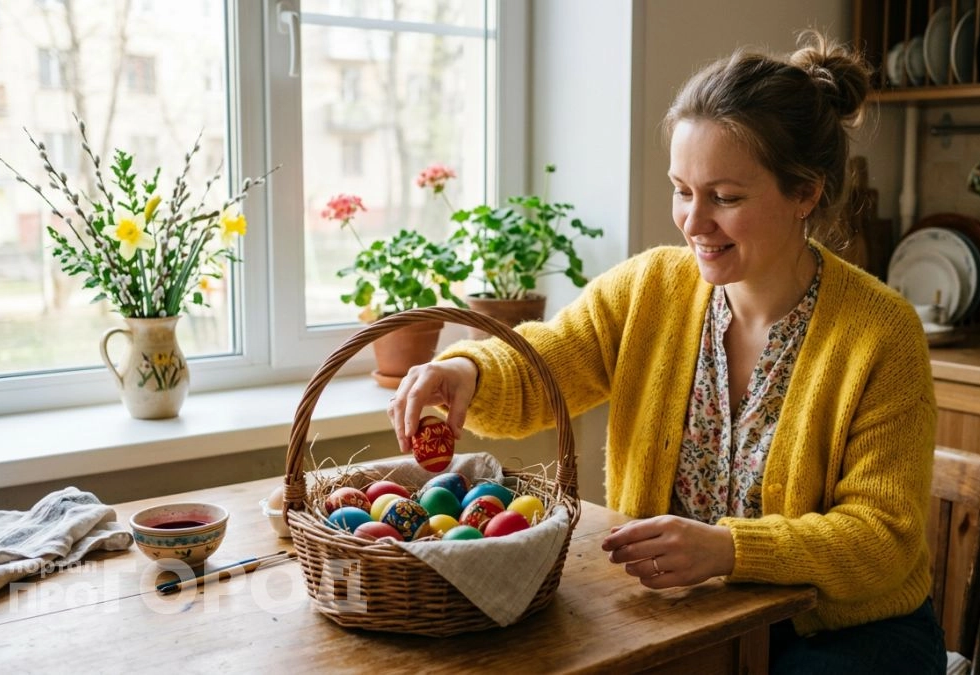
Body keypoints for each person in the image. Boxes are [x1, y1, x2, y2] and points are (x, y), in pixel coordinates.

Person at [388, 32, 944, 675]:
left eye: (725, 197)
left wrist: (732, 550)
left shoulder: (882, 334)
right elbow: (550, 361)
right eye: (684, 190)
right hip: (691, 619)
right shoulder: (651, 288)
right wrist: (467, 370)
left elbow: (884, 538)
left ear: (805, 194)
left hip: (842, 637)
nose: (693, 221)